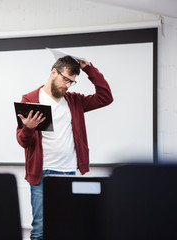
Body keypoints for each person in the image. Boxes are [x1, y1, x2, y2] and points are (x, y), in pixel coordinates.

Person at [16, 55, 113, 240]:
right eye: (66, 79)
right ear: (54, 72)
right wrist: (28, 129)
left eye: (72, 82)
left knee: (69, 229)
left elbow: (105, 97)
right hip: (42, 175)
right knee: (39, 231)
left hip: (69, 173)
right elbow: (22, 141)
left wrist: (89, 69)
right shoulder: (30, 99)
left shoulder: (74, 101)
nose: (68, 85)